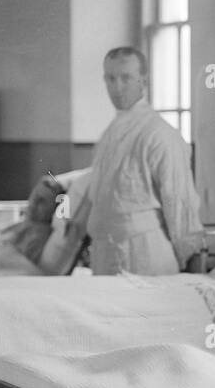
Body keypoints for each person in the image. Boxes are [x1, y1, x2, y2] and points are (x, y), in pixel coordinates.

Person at [81, 47, 203, 276]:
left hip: (145, 253)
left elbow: (179, 201)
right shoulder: (109, 135)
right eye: (110, 79)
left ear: (143, 81)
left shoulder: (159, 134)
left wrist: (189, 256)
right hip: (106, 253)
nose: (117, 87)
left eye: (126, 78)